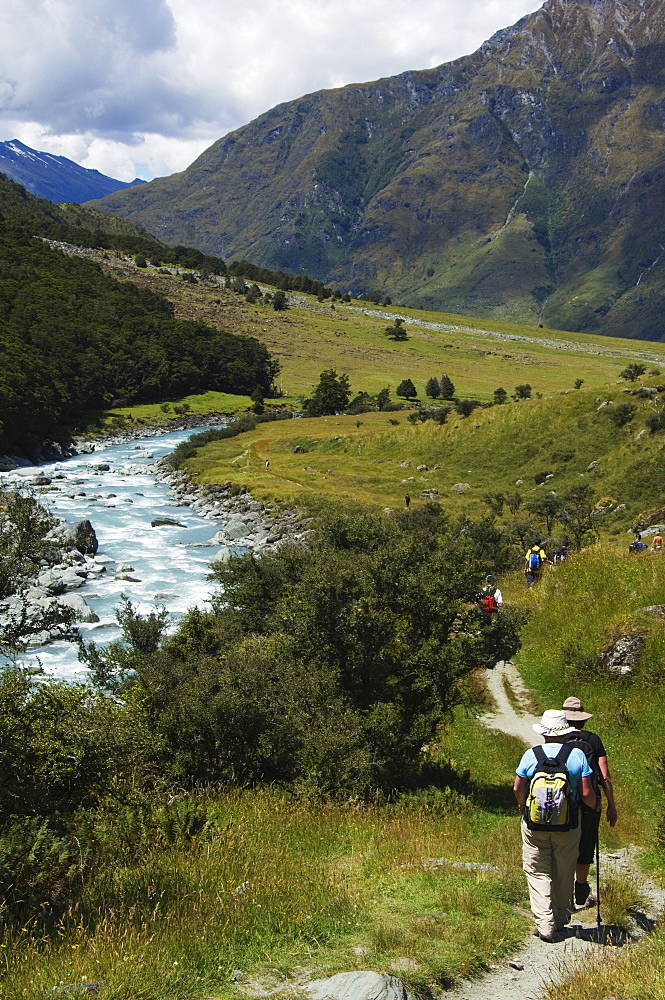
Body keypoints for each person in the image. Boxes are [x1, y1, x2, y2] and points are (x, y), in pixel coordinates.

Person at [514, 710, 597, 941]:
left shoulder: (531, 755)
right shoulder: (577, 755)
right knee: (564, 870)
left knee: (537, 870)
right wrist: (594, 806)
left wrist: (523, 806)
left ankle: (545, 923)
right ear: (565, 732)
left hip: (535, 823)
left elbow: (517, 787)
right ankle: (560, 919)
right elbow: (587, 792)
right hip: (568, 823)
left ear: (543, 731)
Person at [561, 696, 618, 906]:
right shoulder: (593, 740)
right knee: (586, 844)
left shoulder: (557, 738)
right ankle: (581, 884)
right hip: (589, 801)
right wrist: (611, 805)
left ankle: (563, 889)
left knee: (564, 844)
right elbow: (605, 776)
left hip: (563, 800)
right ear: (583, 719)